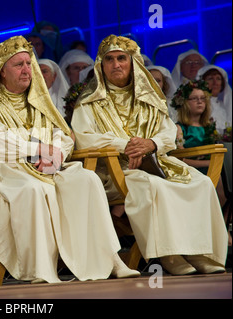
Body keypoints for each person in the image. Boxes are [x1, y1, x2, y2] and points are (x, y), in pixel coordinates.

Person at [0, 35, 139, 284]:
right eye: (19, 65)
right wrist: (39, 149)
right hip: (7, 168)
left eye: (29, 64)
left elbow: (65, 135)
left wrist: (57, 152)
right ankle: (42, 268)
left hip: (49, 165)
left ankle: (110, 258)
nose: (27, 69)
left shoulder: (39, 99)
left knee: (87, 180)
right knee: (35, 189)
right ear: (2, 72)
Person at [72, 35, 228, 276]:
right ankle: (169, 253)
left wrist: (150, 144)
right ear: (101, 65)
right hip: (114, 170)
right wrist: (127, 146)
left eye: (122, 58)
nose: (116, 65)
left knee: (201, 183)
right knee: (151, 185)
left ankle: (199, 252)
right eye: (109, 60)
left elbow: (167, 132)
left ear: (132, 62)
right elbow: (84, 138)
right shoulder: (89, 102)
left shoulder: (149, 98)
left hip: (157, 161)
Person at [172, 80, 230, 246]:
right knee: (220, 180)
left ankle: (223, 224)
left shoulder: (209, 126)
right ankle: (218, 231)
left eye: (203, 98)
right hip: (191, 171)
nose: (199, 102)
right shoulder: (179, 128)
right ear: (184, 103)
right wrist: (209, 165)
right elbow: (179, 159)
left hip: (213, 168)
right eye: (194, 98)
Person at [196, 64, 232, 131]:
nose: (215, 83)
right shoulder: (198, 105)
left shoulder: (225, 106)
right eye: (210, 79)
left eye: (218, 79)